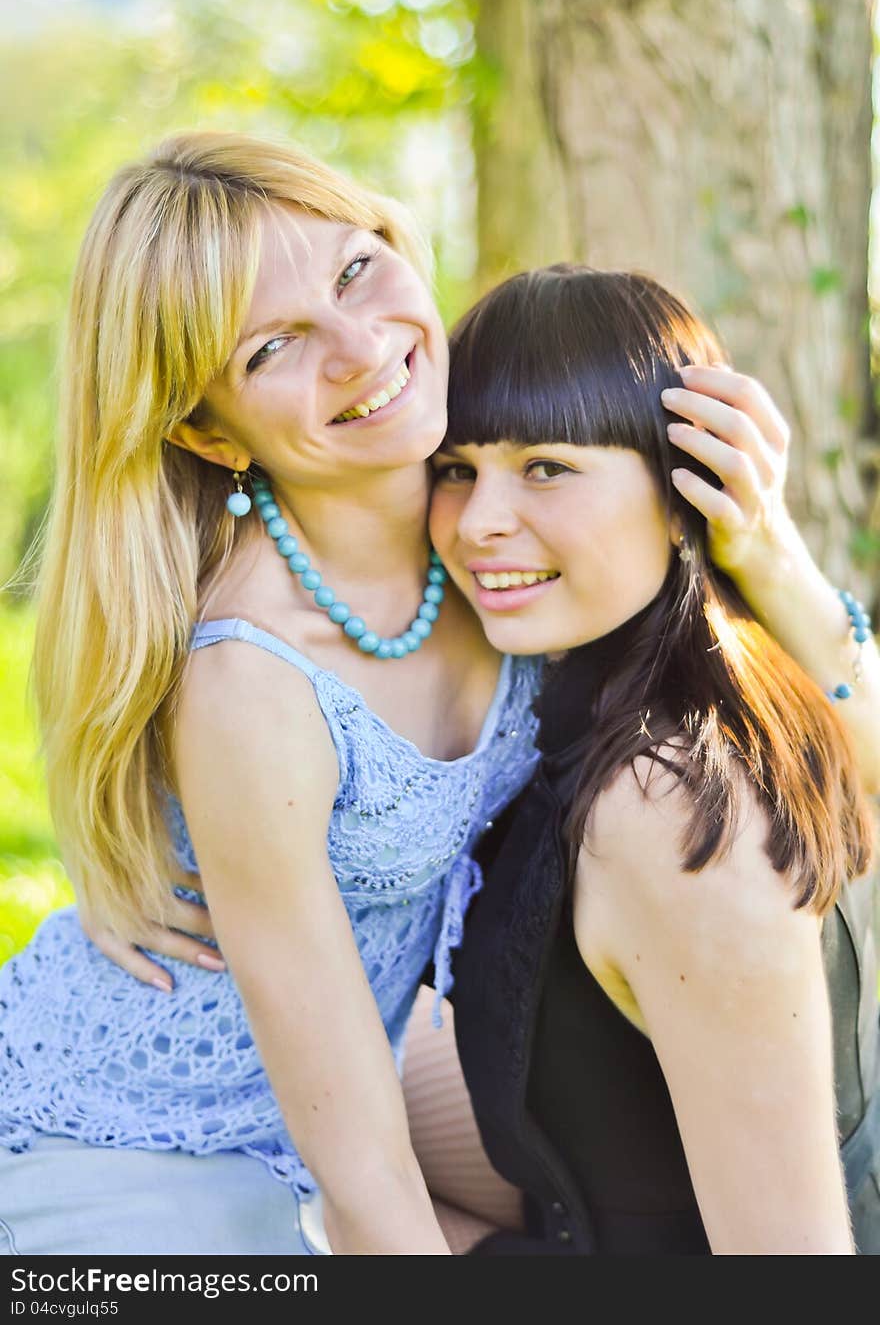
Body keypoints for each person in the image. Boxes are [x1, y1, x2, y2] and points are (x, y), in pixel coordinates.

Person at [2, 132, 875, 1256]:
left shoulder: (482, 525)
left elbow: (866, 774)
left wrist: (768, 553)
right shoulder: (256, 683)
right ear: (207, 431)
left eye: (355, 270)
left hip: (363, 1064)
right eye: (273, 345)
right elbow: (364, 1177)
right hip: (150, 1123)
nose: (361, 350)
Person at [426, 264, 880, 1254]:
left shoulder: (668, 806)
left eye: (544, 466)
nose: (477, 522)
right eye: (456, 468)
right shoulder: (628, 694)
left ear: (688, 494)